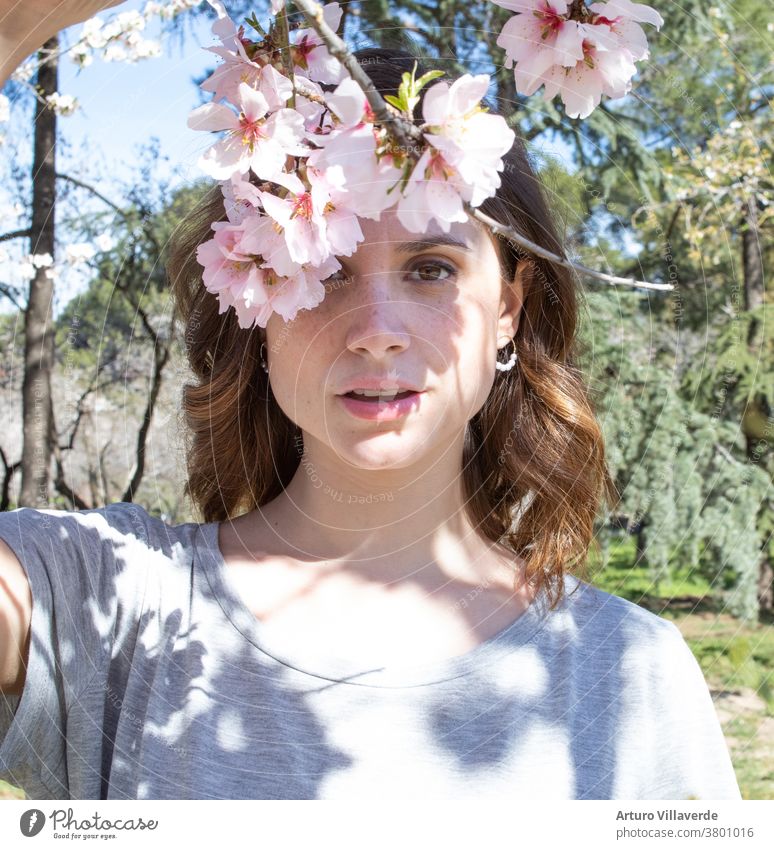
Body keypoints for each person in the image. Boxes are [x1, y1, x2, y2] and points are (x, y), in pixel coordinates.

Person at [0, 7, 742, 800]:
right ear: (256, 299)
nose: (378, 333)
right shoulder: (107, 599)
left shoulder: (635, 677)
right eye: (326, 266)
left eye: (431, 268)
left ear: (510, 309)